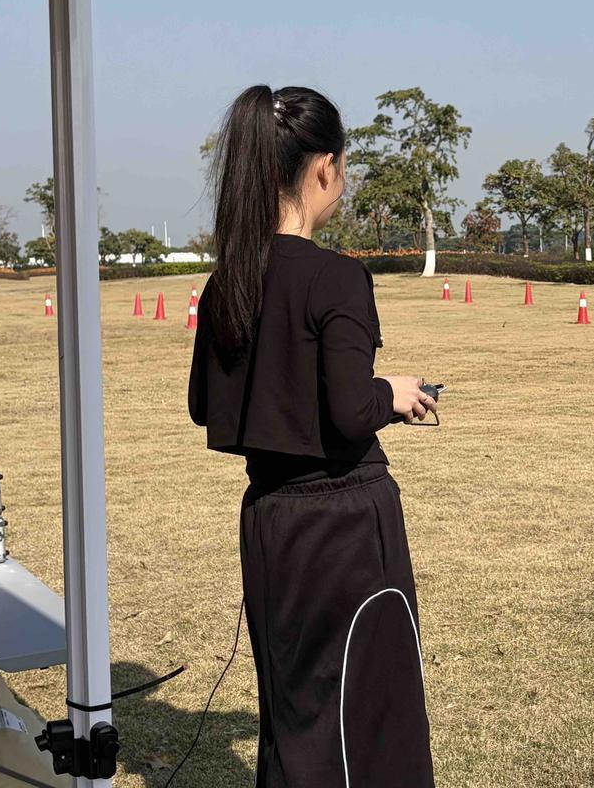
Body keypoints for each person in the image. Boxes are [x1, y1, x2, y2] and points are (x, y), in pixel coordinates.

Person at [188, 84, 437, 787]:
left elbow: (208, 407)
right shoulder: (336, 279)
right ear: (324, 168)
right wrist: (392, 392)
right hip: (348, 526)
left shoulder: (225, 283)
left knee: (295, 715)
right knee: (369, 716)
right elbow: (351, 413)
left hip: (270, 523)